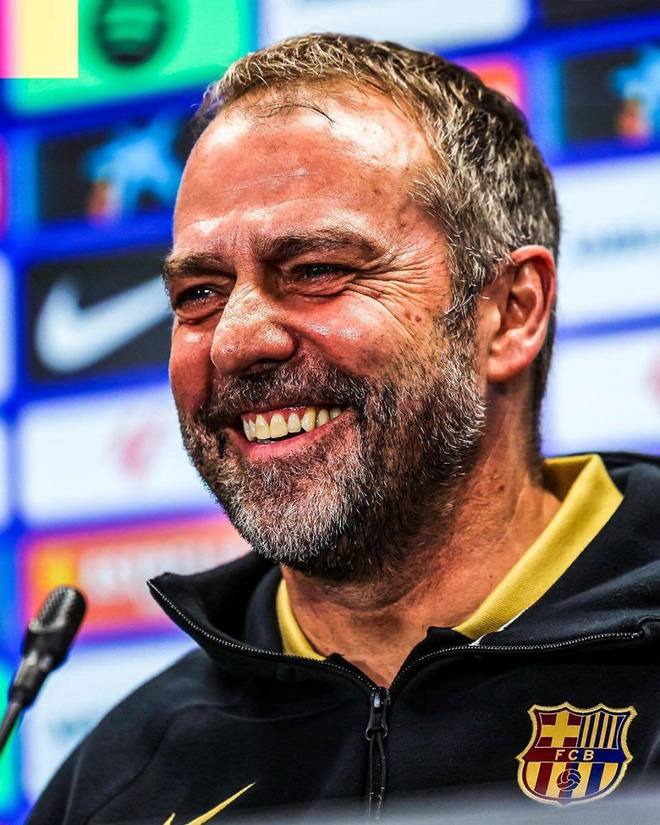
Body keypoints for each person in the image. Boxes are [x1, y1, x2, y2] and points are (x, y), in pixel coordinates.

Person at [28, 33, 660, 824]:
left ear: (509, 312)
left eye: (317, 270)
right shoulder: (115, 781)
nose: (236, 340)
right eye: (199, 293)